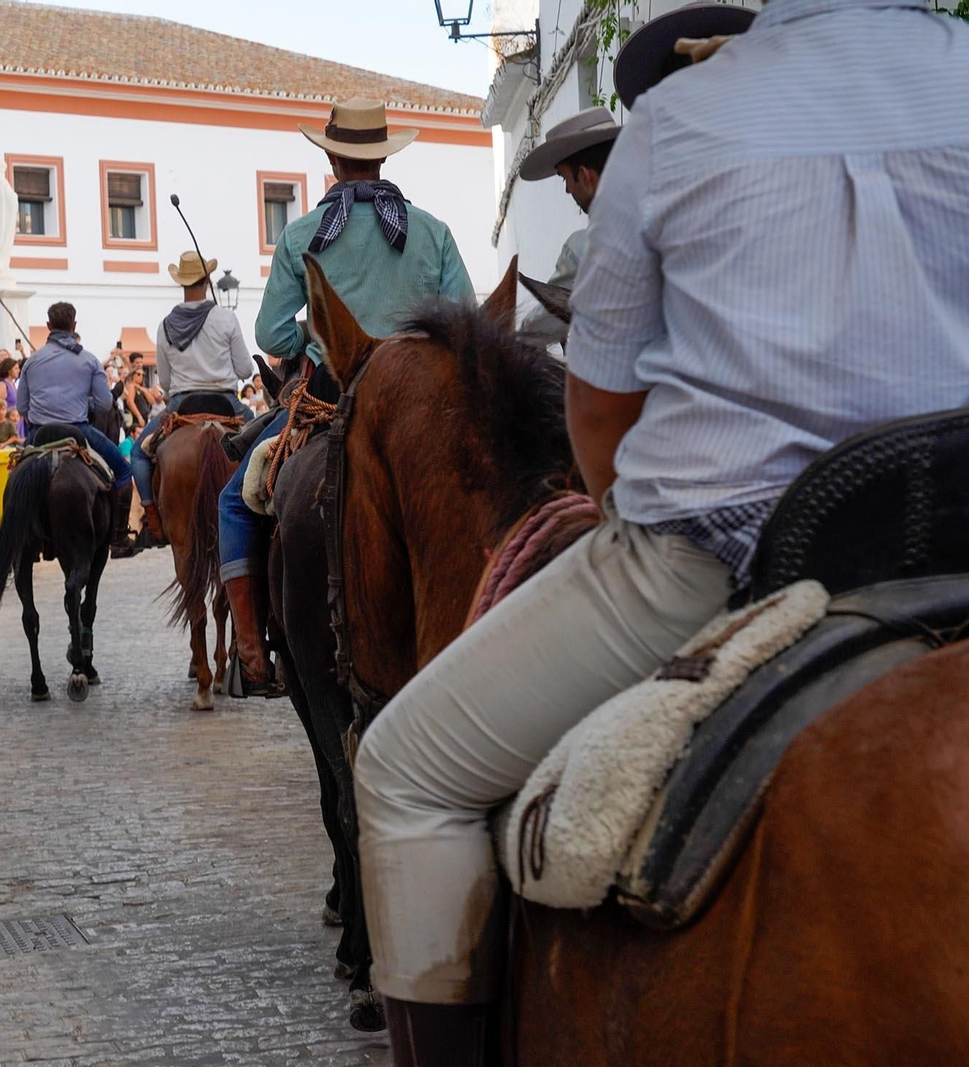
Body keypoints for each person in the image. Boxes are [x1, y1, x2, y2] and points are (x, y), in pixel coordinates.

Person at [353, 4, 969, 1060]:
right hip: (954, 519)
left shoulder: (681, 118)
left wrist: (609, 502)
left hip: (718, 553)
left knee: (404, 771)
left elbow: (597, 412)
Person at [219, 97, 474, 697]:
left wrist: (321, 334)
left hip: (333, 395)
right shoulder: (432, 232)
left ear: (332, 158)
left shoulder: (304, 234)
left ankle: (253, 654)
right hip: (418, 401)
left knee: (237, 501)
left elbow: (270, 336)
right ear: (383, 158)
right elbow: (463, 322)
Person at [130, 250, 257, 544]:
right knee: (269, 443)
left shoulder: (165, 325)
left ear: (182, 283)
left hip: (182, 402)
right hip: (227, 402)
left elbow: (164, 381)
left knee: (138, 453)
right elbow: (245, 368)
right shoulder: (225, 318)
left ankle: (153, 519)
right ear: (207, 279)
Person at [16, 301, 137, 554]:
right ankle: (118, 537)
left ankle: (20, 539)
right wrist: (84, 399)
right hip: (79, 430)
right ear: (74, 325)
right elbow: (105, 404)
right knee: (125, 472)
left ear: (48, 325)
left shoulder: (31, 362)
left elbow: (22, 409)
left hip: (39, 434)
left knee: (16, 480)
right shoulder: (89, 360)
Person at [515, 107, 621, 351]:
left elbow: (548, 321)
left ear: (584, 176)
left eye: (565, 179)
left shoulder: (583, 247)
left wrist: (520, 338)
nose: (567, 190)